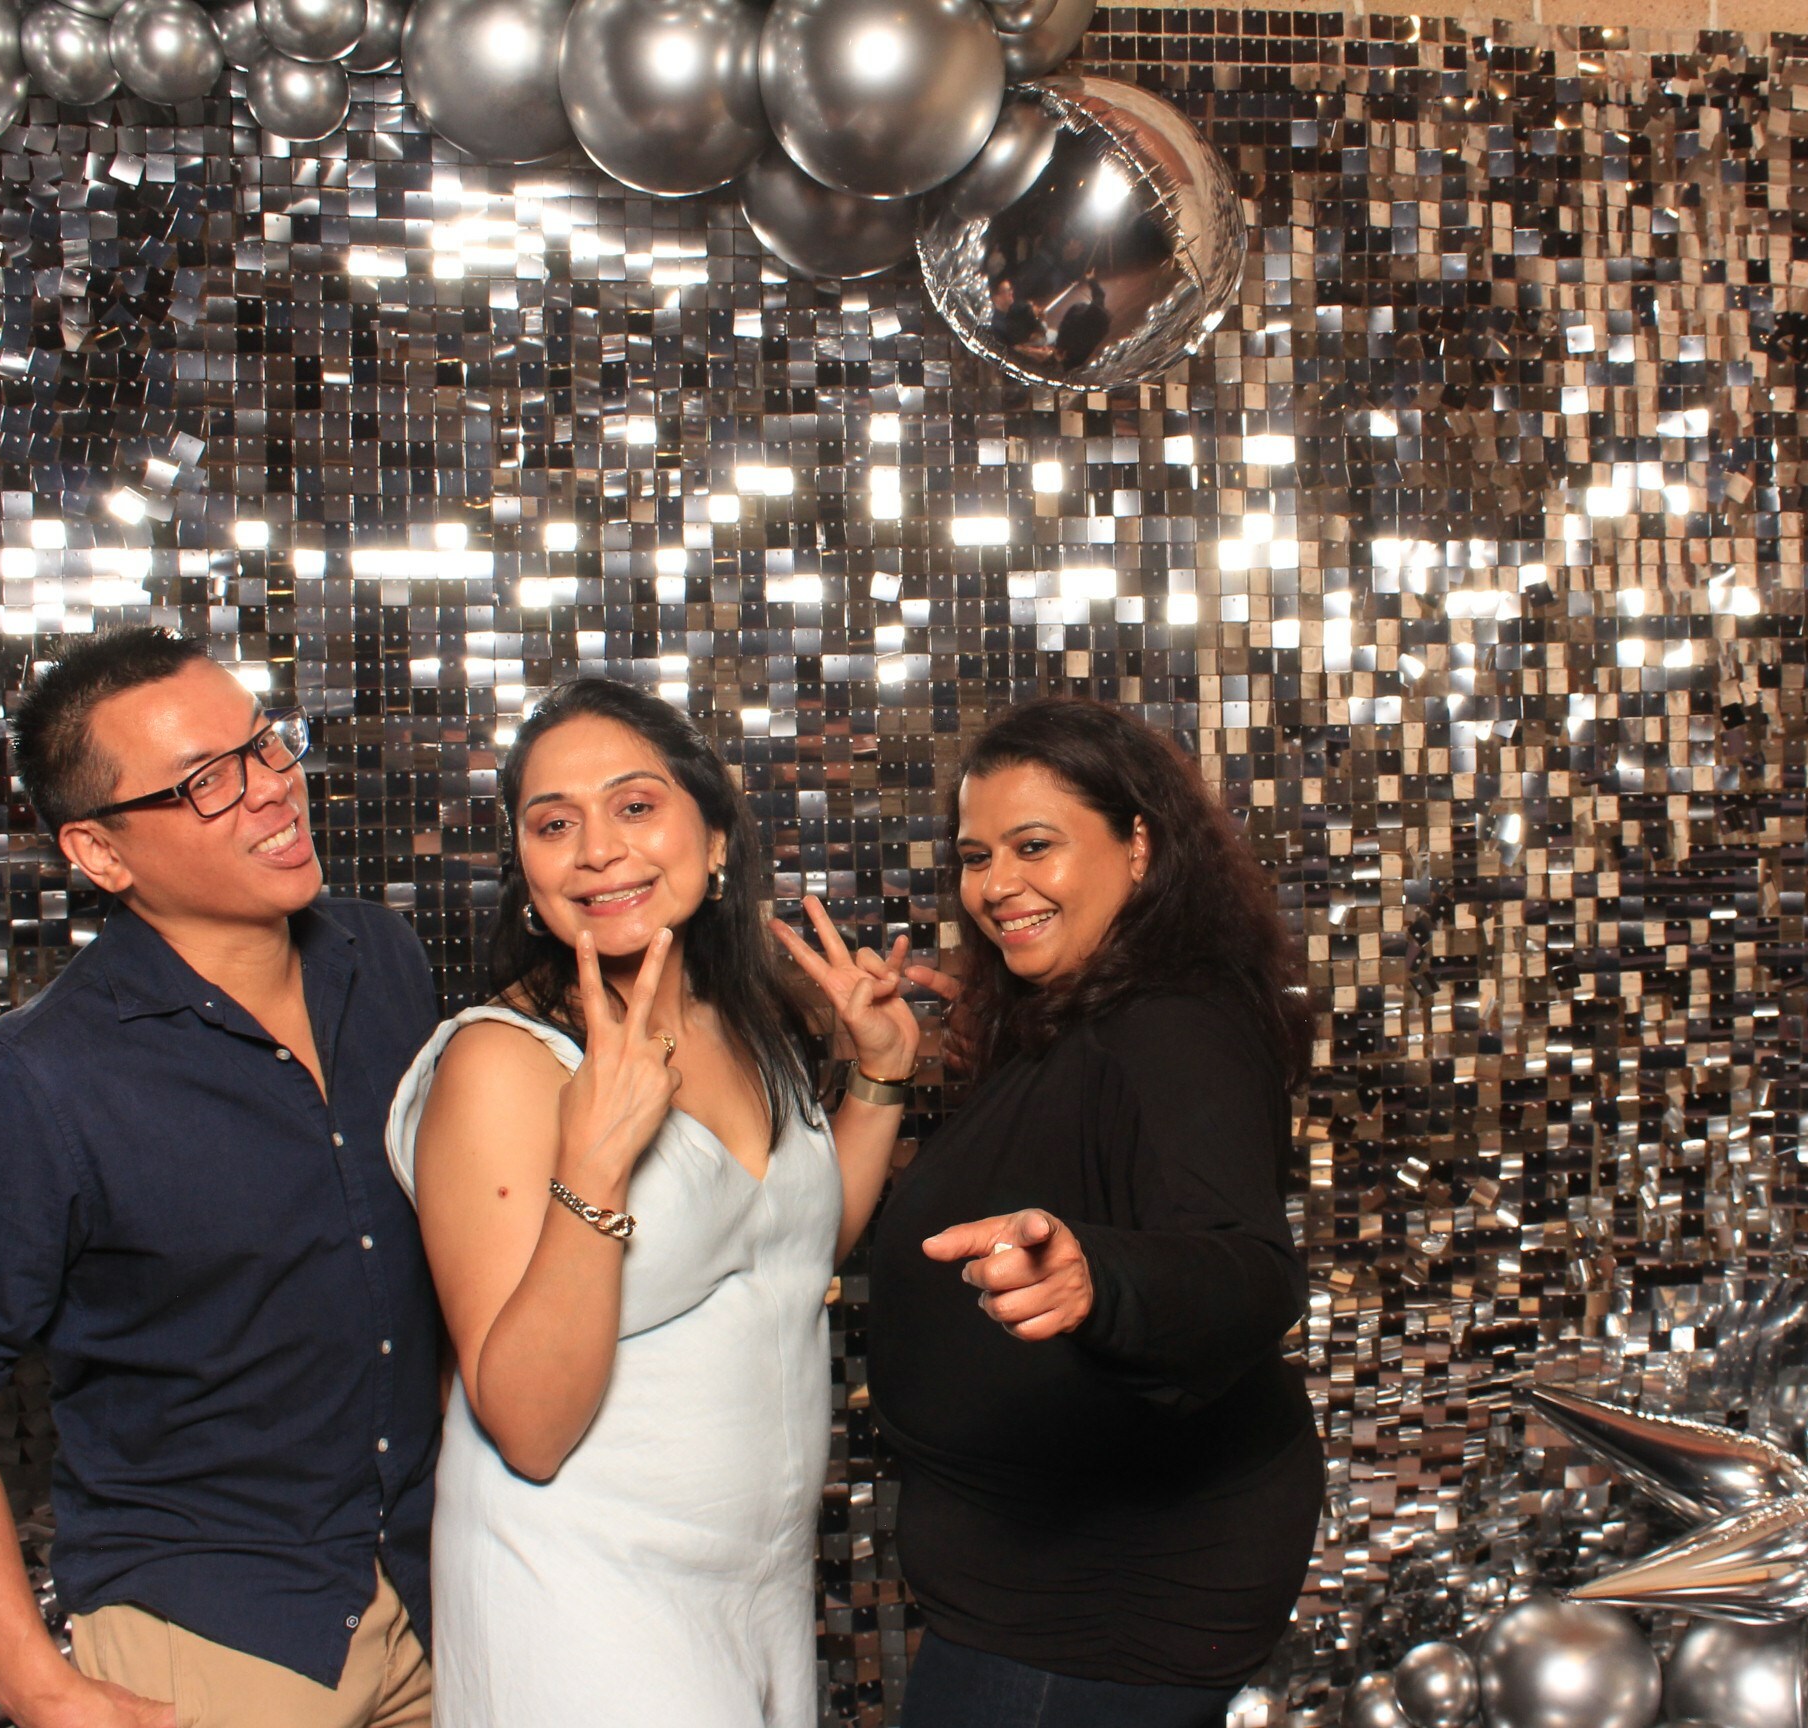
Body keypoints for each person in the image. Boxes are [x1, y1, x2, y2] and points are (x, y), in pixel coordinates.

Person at [0, 629, 443, 1728]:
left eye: (265, 745)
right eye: (206, 782)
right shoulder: (38, 1081)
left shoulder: (384, 959)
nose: (271, 789)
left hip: (434, 1588)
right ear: (100, 852)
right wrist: (37, 1686)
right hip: (216, 1633)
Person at [385, 678, 922, 1727]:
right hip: (579, 1593)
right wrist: (593, 1166)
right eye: (554, 824)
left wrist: (881, 1077)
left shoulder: (743, 1021)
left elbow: (786, 1253)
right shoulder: (502, 1063)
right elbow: (527, 1427)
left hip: (757, 1592)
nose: (597, 850)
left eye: (635, 806)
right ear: (526, 868)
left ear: (714, 837)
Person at [871, 696, 1325, 1728]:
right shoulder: (1090, 1015)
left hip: (1091, 1616)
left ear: (1138, 846)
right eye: (977, 856)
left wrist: (1097, 1281)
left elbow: (1251, 1272)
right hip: (1038, 1601)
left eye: (1035, 846)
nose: (997, 885)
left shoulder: (1175, 1026)